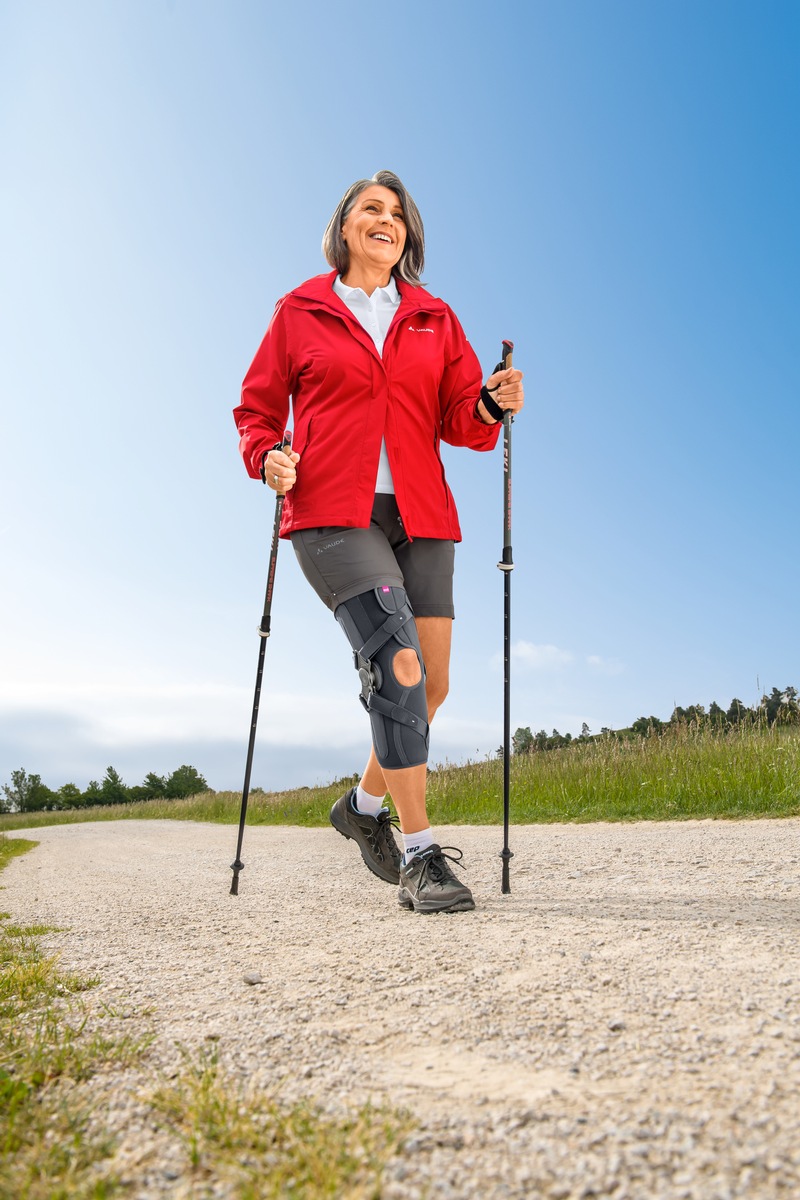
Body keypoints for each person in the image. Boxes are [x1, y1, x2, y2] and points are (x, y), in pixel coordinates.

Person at [234, 170, 524, 913]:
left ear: (409, 235)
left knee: (429, 683)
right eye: (372, 208)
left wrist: (490, 401)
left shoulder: (433, 316)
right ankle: (421, 857)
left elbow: (462, 419)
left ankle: (361, 810)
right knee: (396, 664)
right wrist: (267, 454)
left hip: (422, 514)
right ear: (345, 225)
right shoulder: (300, 310)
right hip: (334, 514)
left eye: (398, 213)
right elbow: (257, 408)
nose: (386, 220)